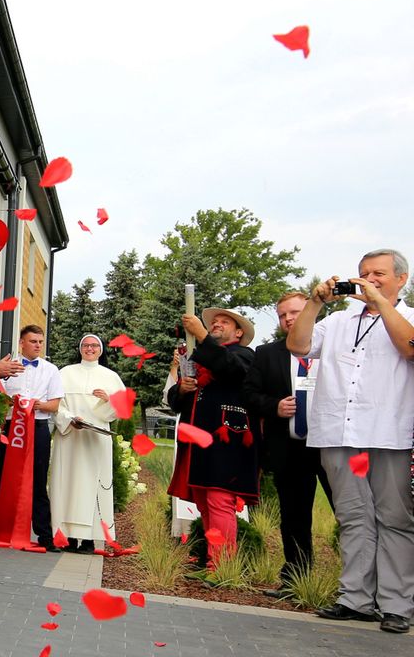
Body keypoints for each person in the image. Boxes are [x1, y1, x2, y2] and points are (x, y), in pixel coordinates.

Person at [287, 250, 414, 634]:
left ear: (401, 280)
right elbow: (298, 346)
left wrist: (379, 304)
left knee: (393, 518)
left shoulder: (408, 317)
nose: (368, 279)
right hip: (339, 434)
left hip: (388, 432)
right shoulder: (339, 321)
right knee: (353, 517)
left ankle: (396, 605)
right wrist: (314, 302)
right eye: (362, 274)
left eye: (378, 273)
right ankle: (355, 598)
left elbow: (409, 347)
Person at [243, 291, 333, 597]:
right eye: (282, 315)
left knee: (351, 517)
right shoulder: (267, 353)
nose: (289, 319)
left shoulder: (333, 348)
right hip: (290, 448)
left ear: (311, 311)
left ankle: (361, 587)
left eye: (295, 312)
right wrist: (274, 406)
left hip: (332, 448)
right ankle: (296, 581)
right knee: (294, 518)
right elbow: (250, 395)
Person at [165, 308, 260, 569]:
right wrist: (182, 389)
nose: (217, 324)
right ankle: (212, 560)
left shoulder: (244, 355)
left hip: (226, 441)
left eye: (224, 322)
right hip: (197, 443)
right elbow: (175, 401)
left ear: (238, 332)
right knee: (205, 502)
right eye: (214, 322)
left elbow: (231, 369)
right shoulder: (201, 358)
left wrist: (202, 334)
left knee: (220, 501)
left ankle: (222, 565)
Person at [0, 325, 63, 550]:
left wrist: (35, 405)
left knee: (38, 480)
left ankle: (44, 536)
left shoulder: (51, 370)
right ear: (22, 343)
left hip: (38, 428)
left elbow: (55, 404)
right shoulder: (8, 366)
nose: (38, 345)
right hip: (10, 428)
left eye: (40, 342)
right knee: (2, 476)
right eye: (33, 341)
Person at [49, 335, 125, 553]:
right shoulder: (65, 373)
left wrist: (108, 400)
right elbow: (57, 405)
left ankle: (91, 539)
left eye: (93, 346)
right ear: (79, 348)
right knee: (68, 485)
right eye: (85, 345)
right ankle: (68, 537)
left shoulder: (110, 377)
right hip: (70, 438)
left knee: (93, 487)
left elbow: (121, 409)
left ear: (100, 350)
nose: (89, 349)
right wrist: (70, 419)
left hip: (96, 442)